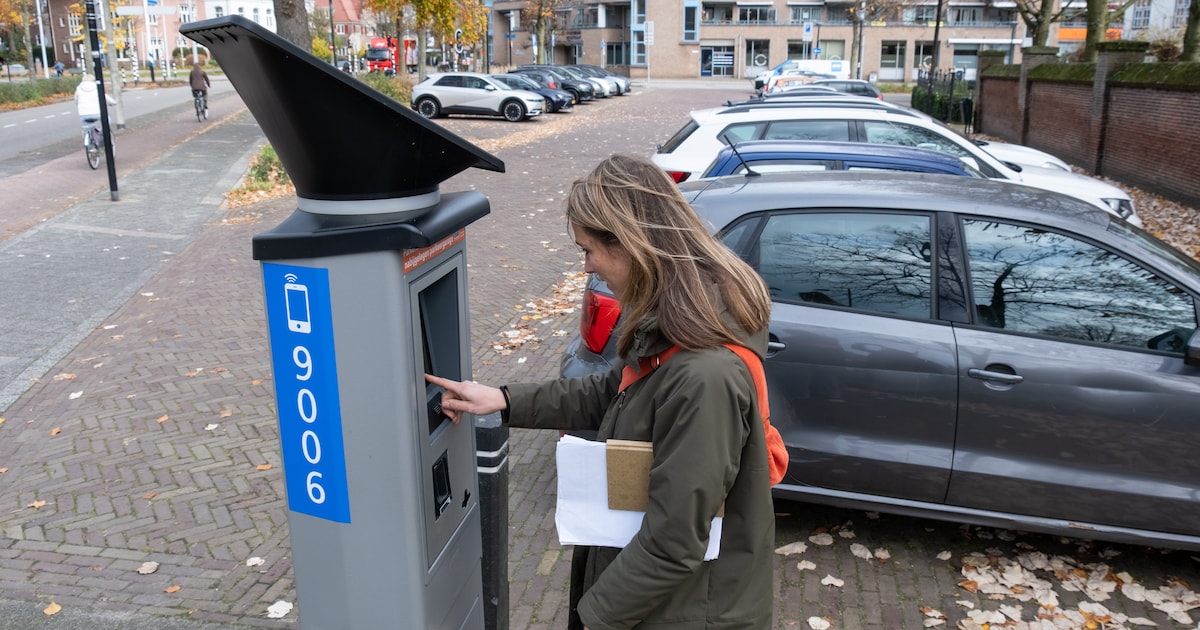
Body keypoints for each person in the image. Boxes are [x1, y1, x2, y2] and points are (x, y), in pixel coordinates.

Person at [427, 154, 776, 629]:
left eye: (589, 250)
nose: (586, 266)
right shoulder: (678, 325)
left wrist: (591, 618)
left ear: (632, 245)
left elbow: (673, 543)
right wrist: (504, 399)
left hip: (686, 612)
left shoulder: (704, 376)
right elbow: (612, 392)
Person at [74, 76, 115, 143]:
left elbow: (76, 100)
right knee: (107, 119)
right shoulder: (97, 87)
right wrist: (113, 102)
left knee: (86, 127)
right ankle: (101, 132)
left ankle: (89, 144)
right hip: (97, 113)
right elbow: (105, 97)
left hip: (83, 114)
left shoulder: (78, 89)